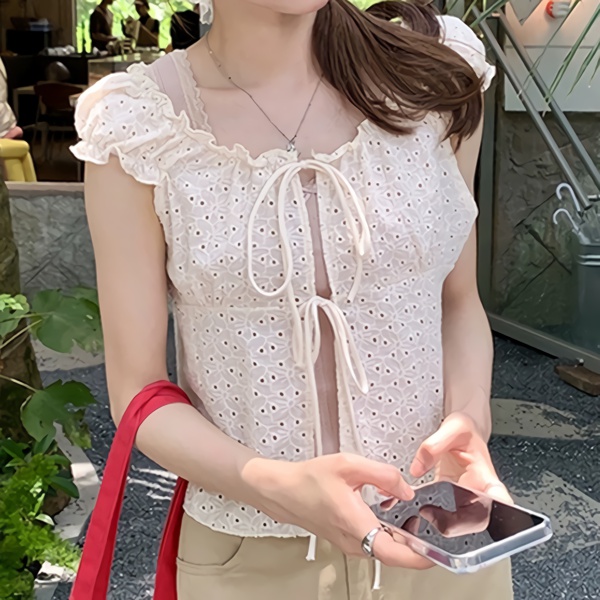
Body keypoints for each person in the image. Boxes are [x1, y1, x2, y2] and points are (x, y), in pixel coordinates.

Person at [72, 0, 513, 598]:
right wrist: (274, 485)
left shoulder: (433, 80)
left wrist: (470, 416)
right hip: (248, 555)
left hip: (440, 533)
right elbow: (138, 391)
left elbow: (457, 303)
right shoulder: (138, 126)